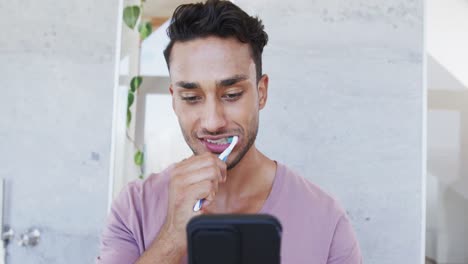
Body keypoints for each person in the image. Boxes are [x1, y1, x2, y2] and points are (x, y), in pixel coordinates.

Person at [97, 0, 362, 263]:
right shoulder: (133, 209)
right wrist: (173, 237)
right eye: (191, 97)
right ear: (174, 100)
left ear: (261, 92)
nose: (212, 122)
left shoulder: (326, 220)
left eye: (232, 94)